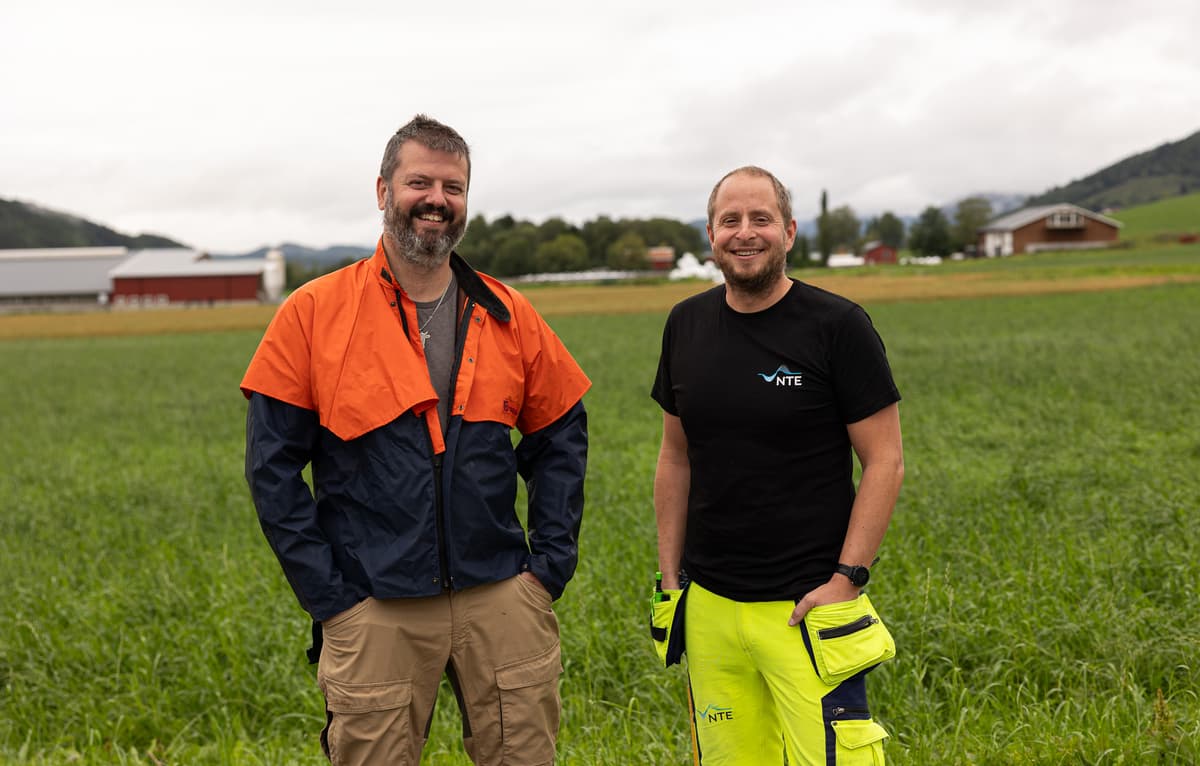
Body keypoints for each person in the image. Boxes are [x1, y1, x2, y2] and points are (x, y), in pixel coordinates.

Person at [241, 114, 590, 765]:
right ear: (382, 191)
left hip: (501, 596)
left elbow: (562, 436)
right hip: (374, 605)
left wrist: (547, 570)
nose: (437, 200)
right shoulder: (313, 313)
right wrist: (332, 600)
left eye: (453, 187)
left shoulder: (508, 313)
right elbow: (271, 472)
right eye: (419, 182)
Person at [650, 166, 904, 765]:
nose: (745, 233)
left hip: (807, 608)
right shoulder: (685, 323)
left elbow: (885, 460)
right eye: (730, 220)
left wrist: (847, 579)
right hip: (710, 607)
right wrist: (670, 579)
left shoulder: (838, 326)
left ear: (788, 232)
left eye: (761, 219)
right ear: (711, 234)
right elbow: (674, 459)